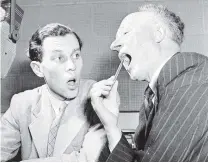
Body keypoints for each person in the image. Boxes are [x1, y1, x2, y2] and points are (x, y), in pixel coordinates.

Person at [90, 4, 208, 162]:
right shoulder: (160, 92)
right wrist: (111, 124)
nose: (114, 45)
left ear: (158, 34)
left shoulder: (192, 84)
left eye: (125, 32)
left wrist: (112, 129)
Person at [0, 23, 107, 162]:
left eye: (76, 55)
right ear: (38, 69)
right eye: (59, 58)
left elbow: (90, 159)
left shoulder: (97, 96)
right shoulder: (21, 103)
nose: (72, 66)